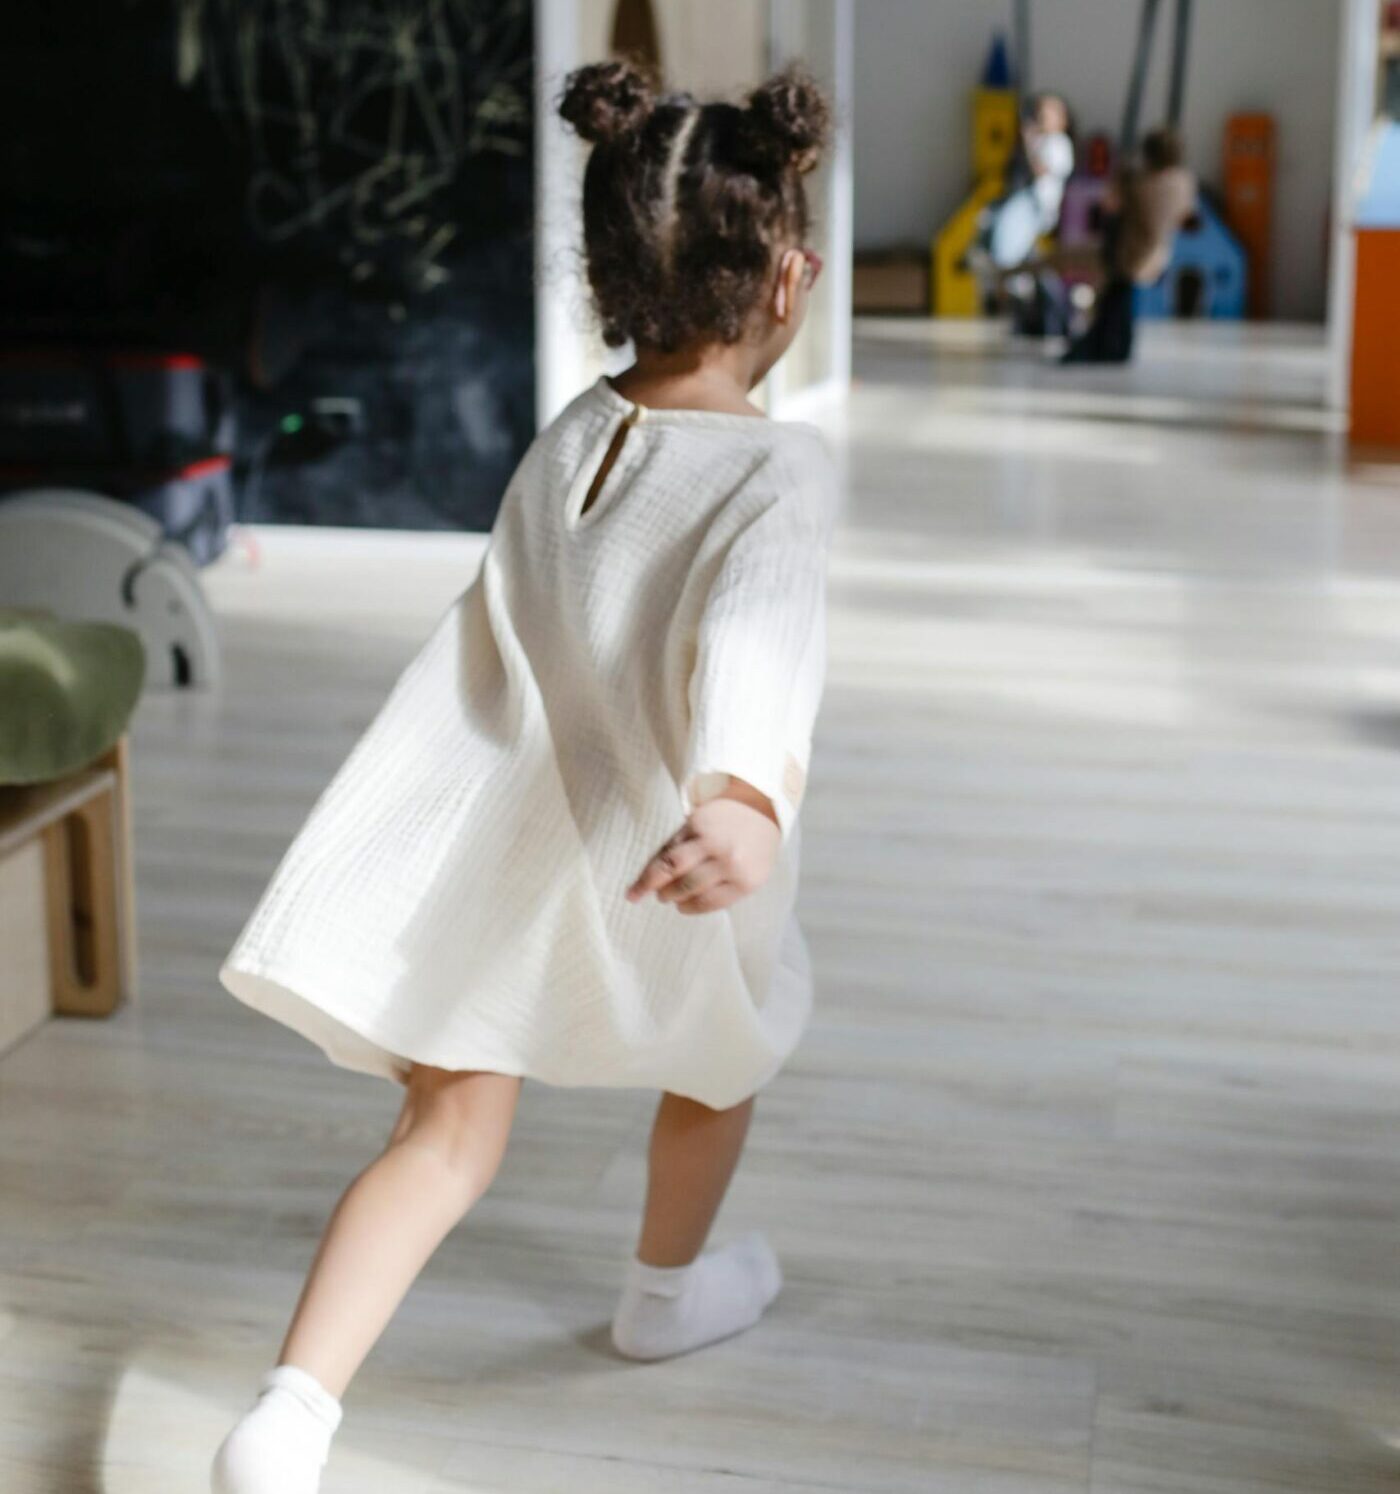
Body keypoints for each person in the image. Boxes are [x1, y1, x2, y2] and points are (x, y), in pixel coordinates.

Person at [208, 56, 838, 1494]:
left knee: (443, 1133)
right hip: (663, 861)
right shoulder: (775, 476)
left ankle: (291, 1411)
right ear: (790, 281)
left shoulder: (573, 437)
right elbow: (756, 635)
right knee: (724, 1055)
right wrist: (741, 798)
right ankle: (663, 1293)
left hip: (499, 840)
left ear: (609, 273)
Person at [1061, 125, 1198, 364]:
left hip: (1128, 254)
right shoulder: (1183, 182)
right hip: (1157, 254)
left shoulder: (1139, 184)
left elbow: (1109, 205)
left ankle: (1104, 347)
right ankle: (1112, 347)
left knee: (1113, 301)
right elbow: (1187, 218)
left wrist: (1121, 179)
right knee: (1117, 301)